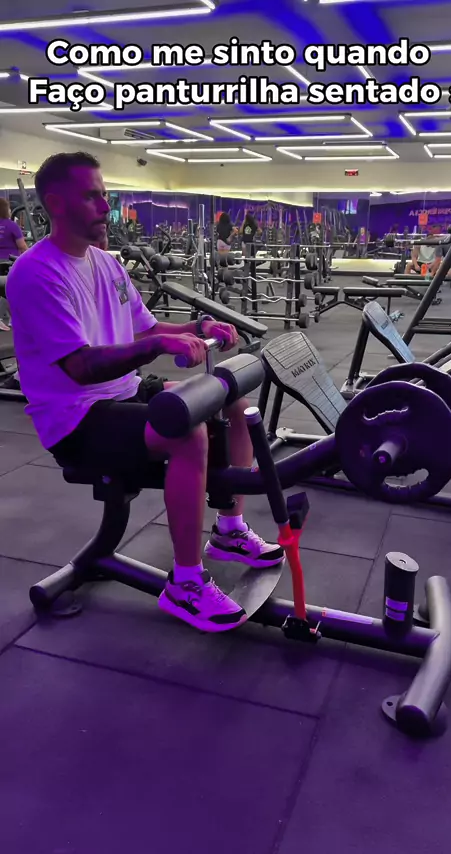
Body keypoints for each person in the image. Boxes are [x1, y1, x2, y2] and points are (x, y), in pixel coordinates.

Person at [6, 152, 284, 634]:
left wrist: (196, 327)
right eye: (91, 196)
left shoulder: (106, 264)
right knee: (186, 431)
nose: (104, 205)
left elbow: (147, 328)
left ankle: (229, 530)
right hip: (75, 418)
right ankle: (185, 585)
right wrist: (158, 346)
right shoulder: (35, 273)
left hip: (126, 391)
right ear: (56, 203)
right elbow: (80, 367)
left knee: (230, 401)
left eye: (104, 194)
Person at [0, 198, 28, 330]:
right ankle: (15, 319)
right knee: (15, 291)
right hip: (9, 263)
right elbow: (22, 246)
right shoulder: (11, 225)